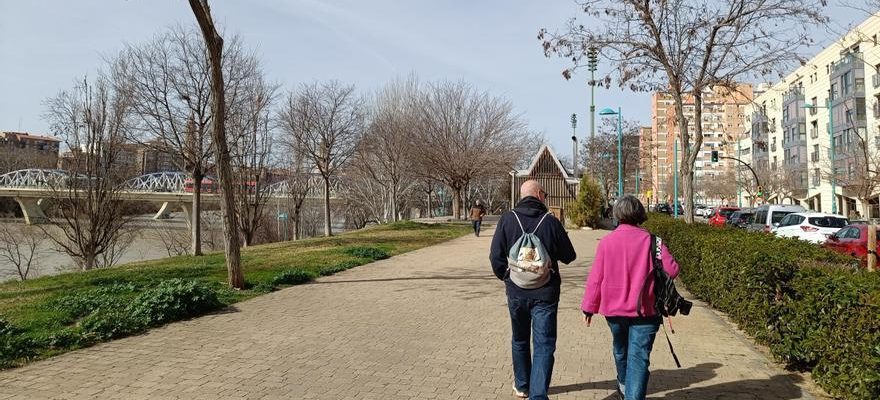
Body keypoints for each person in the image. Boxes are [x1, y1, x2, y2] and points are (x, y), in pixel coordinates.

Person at [581, 195, 680, 400]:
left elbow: (596, 278)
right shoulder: (654, 242)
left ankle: (625, 386)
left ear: (617, 214)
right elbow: (673, 270)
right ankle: (630, 393)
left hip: (614, 311)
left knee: (620, 350)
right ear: (640, 215)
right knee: (639, 358)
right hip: (646, 309)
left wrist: (588, 307)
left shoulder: (606, 243)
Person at [490, 180, 577, 399]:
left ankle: (522, 385)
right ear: (538, 195)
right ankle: (538, 395)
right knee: (544, 344)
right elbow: (569, 256)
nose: (546, 197)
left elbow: (495, 257)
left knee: (519, 339)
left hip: (516, 291)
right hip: (545, 292)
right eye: (544, 194)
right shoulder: (550, 222)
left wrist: (507, 277)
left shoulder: (508, 219)